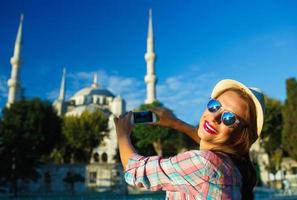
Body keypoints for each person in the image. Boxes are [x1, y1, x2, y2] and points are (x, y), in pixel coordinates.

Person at [114, 79, 265, 200]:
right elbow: (211, 145)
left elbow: (134, 170)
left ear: (240, 136)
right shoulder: (235, 168)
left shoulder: (203, 164)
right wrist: (176, 123)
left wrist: (122, 134)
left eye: (229, 118)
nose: (214, 117)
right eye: (214, 105)